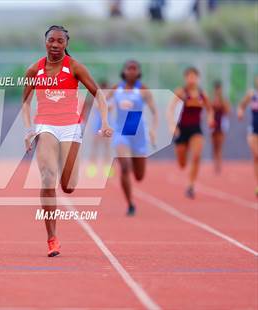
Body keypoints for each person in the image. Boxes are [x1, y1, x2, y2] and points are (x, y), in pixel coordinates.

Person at [21, 25, 113, 257]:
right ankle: (52, 238)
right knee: (47, 179)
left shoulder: (74, 67)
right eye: (51, 40)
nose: (54, 45)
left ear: (66, 44)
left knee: (69, 186)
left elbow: (98, 94)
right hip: (46, 126)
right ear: (45, 42)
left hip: (71, 128)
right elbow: (25, 102)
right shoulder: (34, 70)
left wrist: (104, 121)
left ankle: (64, 172)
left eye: (60, 41)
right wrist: (28, 129)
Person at [109, 60, 157, 216]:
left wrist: (153, 130)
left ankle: (131, 192)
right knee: (124, 166)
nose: (131, 71)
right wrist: (105, 112)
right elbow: (102, 103)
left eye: (134, 68)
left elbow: (155, 112)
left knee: (139, 176)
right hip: (121, 131)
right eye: (129, 68)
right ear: (124, 71)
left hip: (138, 132)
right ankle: (130, 203)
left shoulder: (142, 89)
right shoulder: (117, 88)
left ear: (138, 72)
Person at [167, 67, 214, 199]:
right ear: (185, 78)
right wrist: (171, 125)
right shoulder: (181, 92)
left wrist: (210, 119)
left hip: (196, 129)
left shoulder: (201, 93)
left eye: (194, 76)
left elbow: (210, 110)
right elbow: (170, 108)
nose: (192, 79)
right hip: (182, 129)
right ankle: (184, 156)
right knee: (182, 164)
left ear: (198, 78)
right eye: (189, 76)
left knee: (196, 155)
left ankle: (191, 185)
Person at [86, 80, 114, 178]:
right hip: (97, 124)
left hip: (107, 123)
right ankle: (92, 169)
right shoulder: (97, 97)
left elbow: (110, 107)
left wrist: (105, 102)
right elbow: (97, 106)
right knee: (95, 146)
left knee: (107, 147)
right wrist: (103, 102)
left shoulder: (110, 97)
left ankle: (108, 169)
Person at [237, 76, 258, 196]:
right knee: (256, 156)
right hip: (254, 131)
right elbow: (241, 105)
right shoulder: (252, 94)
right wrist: (240, 111)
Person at [210, 80, 230, 174]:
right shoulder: (212, 99)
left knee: (220, 145)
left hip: (221, 126)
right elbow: (209, 109)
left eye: (219, 89)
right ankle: (215, 164)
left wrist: (221, 102)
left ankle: (219, 164)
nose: (218, 91)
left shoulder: (224, 100)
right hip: (213, 125)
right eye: (216, 89)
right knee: (214, 146)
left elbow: (228, 111)